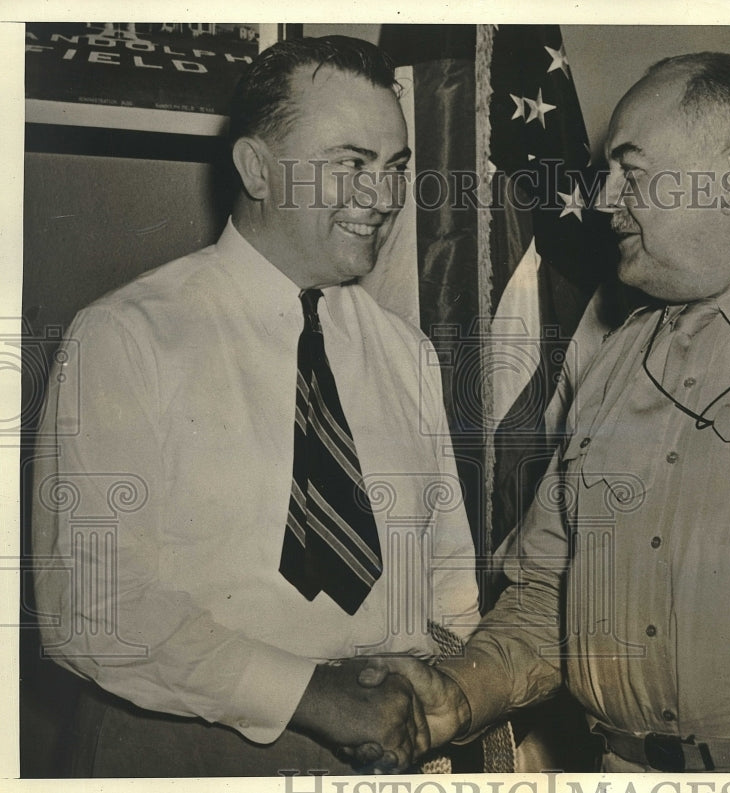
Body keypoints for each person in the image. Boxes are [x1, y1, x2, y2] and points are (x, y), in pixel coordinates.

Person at [357, 51, 730, 772]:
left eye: (631, 170)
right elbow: (550, 598)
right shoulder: (614, 359)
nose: (600, 199)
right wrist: (457, 696)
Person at [31, 35, 479, 777]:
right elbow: (89, 603)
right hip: (184, 752)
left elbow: (448, 583)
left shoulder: (407, 354)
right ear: (257, 169)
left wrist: (438, 690)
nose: (383, 197)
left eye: (396, 168)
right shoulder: (126, 336)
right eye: (350, 165)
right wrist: (309, 693)